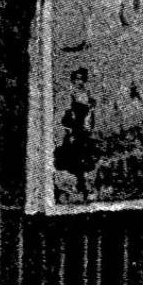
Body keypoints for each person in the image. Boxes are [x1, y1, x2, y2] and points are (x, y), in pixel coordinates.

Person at [53, 68, 98, 200]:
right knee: (74, 156)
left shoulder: (87, 94)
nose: (79, 81)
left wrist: (90, 114)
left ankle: (83, 185)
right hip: (74, 129)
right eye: (77, 79)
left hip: (84, 129)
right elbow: (66, 116)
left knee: (84, 156)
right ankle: (79, 184)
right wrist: (70, 129)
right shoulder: (71, 94)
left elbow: (90, 113)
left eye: (81, 78)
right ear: (73, 80)